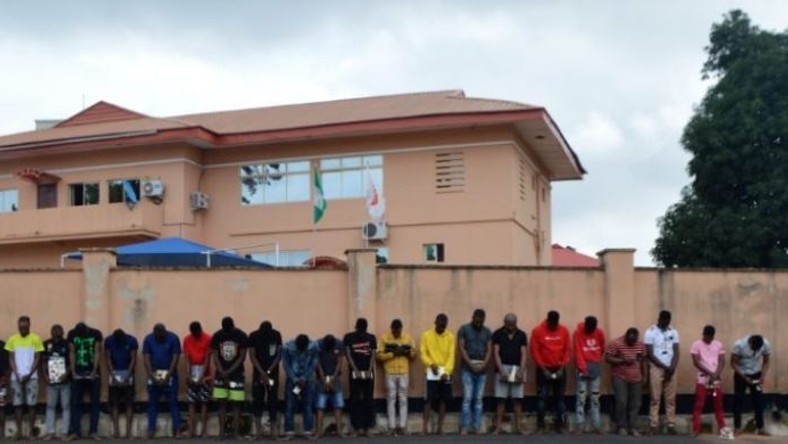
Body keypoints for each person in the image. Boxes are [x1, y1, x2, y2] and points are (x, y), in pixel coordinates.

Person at [530, 310, 570, 433]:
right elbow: (534, 351)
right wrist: (543, 369)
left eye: (555, 324)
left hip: (559, 369)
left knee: (561, 399)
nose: (553, 326)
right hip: (543, 369)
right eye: (551, 324)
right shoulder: (537, 331)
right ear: (547, 321)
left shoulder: (564, 330)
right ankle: (540, 426)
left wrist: (562, 367)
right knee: (542, 399)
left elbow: (567, 350)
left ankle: (561, 426)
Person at [5, 315, 43, 440]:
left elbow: (38, 358)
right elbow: (11, 357)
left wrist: (30, 373)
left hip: (31, 378)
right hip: (16, 378)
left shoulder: (36, 339)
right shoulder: (12, 339)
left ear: (29, 326)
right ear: (18, 326)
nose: (23, 330)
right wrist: (16, 373)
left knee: (32, 405)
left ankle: (31, 433)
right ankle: (19, 432)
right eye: (21, 328)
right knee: (17, 405)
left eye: (25, 328)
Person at [376, 319, 416, 436]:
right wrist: (393, 354)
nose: (397, 333)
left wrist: (406, 352)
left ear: (401, 329)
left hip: (403, 372)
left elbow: (414, 354)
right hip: (390, 372)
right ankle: (392, 427)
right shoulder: (384, 338)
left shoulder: (408, 338)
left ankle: (403, 426)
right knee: (391, 399)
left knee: (403, 399)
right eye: (395, 331)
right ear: (391, 328)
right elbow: (378, 356)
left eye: (398, 331)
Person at [690, 325, 731, 438]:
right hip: (703, 379)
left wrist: (716, 374)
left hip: (715, 380)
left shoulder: (718, 344)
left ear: (713, 336)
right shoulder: (696, 345)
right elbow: (696, 362)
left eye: (711, 337)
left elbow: (722, 361)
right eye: (707, 336)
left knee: (718, 405)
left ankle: (722, 428)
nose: (709, 339)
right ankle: (696, 429)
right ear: (703, 334)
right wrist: (710, 373)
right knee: (699, 404)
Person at [211, 316, 248, 440]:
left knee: (236, 404)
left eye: (228, 329)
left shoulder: (241, 335)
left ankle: (236, 433)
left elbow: (242, 357)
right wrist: (223, 372)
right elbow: (215, 356)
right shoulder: (217, 336)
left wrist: (227, 372)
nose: (226, 332)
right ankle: (221, 433)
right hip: (221, 374)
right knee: (221, 404)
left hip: (236, 374)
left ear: (233, 326)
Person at [644, 310, 680, 434]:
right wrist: (664, 367)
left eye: (668, 320)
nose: (665, 322)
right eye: (663, 320)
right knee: (655, 397)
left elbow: (676, 351)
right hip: (656, 367)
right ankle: (654, 424)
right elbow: (650, 353)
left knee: (670, 398)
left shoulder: (673, 332)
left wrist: (672, 366)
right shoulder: (650, 332)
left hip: (671, 367)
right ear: (659, 319)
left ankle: (671, 424)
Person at [605, 327, 646, 437]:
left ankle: (632, 427)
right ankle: (621, 426)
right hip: (619, 377)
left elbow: (643, 360)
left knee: (635, 403)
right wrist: (622, 360)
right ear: (626, 336)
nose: (632, 343)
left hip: (636, 378)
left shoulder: (640, 345)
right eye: (630, 341)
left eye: (634, 340)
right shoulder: (616, 343)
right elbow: (608, 358)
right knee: (621, 401)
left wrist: (644, 375)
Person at [142, 323, 181, 439]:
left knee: (173, 402)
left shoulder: (173, 338)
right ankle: (151, 430)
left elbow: (175, 357)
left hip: (170, 375)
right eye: (157, 336)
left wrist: (168, 375)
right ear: (154, 333)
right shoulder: (148, 339)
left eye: (161, 335)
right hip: (153, 374)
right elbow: (146, 358)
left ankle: (177, 430)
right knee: (152, 404)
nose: (159, 337)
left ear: (165, 332)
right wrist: (151, 376)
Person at [491, 313, 527, 435]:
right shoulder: (497, 334)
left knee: (518, 400)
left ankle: (519, 427)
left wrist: (521, 371)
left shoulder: (522, 335)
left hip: (517, 368)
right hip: (502, 367)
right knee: (501, 399)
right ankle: (498, 427)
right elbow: (496, 352)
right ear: (504, 322)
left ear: (516, 323)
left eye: (513, 324)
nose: (511, 327)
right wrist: (501, 370)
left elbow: (524, 354)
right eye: (508, 324)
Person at [457, 308, 492, 435]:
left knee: (478, 399)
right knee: (467, 398)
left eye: (481, 321)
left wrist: (484, 364)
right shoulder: (464, 329)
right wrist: (470, 364)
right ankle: (465, 427)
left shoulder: (487, 332)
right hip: (467, 369)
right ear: (473, 317)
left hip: (482, 370)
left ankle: (476, 426)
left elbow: (489, 350)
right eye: (477, 321)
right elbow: (461, 348)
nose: (479, 323)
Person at [419, 313, 455, 435]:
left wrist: (447, 372)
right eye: (439, 326)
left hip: (445, 371)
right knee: (428, 399)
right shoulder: (426, 335)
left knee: (443, 400)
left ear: (446, 325)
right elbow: (423, 353)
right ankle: (424, 428)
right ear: (435, 323)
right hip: (431, 371)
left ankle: (440, 428)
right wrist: (430, 364)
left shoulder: (450, 336)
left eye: (443, 327)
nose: (441, 328)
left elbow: (451, 356)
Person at [67, 322, 103, 439]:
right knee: (75, 402)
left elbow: (97, 352)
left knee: (95, 403)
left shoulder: (96, 333)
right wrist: (73, 372)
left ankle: (93, 431)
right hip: (78, 372)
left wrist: (94, 372)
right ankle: (75, 432)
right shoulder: (72, 334)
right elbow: (72, 353)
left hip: (93, 373)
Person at [731, 334, 771, 436]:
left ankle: (761, 428)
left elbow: (766, 361)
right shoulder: (739, 345)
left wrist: (762, 376)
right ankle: (737, 428)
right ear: (750, 342)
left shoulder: (765, 344)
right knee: (738, 400)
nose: (755, 351)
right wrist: (744, 378)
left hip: (756, 373)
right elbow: (733, 363)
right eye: (753, 348)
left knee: (758, 401)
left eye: (758, 349)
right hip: (741, 374)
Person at [248, 321, 283, 439]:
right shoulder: (253, 335)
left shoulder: (276, 335)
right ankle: (258, 433)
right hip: (259, 375)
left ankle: (274, 433)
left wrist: (267, 372)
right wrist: (264, 373)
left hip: (271, 375)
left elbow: (279, 355)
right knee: (258, 402)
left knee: (273, 402)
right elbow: (252, 356)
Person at [343, 318, 377, 437]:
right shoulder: (348, 337)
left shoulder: (371, 338)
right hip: (355, 373)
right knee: (355, 400)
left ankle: (367, 428)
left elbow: (373, 354)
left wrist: (369, 370)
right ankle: (356, 428)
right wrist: (355, 370)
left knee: (369, 400)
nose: (361, 333)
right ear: (356, 327)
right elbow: (348, 354)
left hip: (368, 373)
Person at [282, 334, 319, 441]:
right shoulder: (287, 347)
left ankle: (308, 431)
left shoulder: (313, 347)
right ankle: (289, 432)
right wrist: (295, 379)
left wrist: (304, 378)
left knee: (308, 405)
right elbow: (286, 364)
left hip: (308, 381)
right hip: (292, 381)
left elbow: (314, 363)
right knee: (289, 405)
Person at [573, 315, 606, 434]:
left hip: (595, 366)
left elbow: (602, 348)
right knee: (581, 398)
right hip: (582, 366)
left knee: (595, 398)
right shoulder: (577, 333)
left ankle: (596, 425)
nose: (590, 331)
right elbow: (577, 351)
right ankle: (580, 426)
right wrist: (583, 368)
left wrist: (595, 361)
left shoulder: (599, 333)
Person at [104, 328, 138, 439]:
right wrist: (113, 376)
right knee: (114, 403)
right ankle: (116, 431)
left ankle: (128, 432)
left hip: (127, 373)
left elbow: (133, 359)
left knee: (129, 403)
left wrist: (128, 376)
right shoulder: (109, 341)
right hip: (114, 373)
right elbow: (108, 358)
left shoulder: (132, 340)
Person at [183, 321, 212, 438]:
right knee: (191, 403)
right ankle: (191, 431)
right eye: (194, 333)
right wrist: (187, 374)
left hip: (204, 373)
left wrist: (202, 376)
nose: (196, 335)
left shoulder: (207, 338)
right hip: (192, 370)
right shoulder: (187, 340)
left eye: (197, 333)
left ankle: (204, 431)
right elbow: (187, 359)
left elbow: (207, 359)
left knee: (204, 403)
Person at [43, 324, 71, 440]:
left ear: (63, 332)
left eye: (59, 330)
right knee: (50, 406)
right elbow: (44, 361)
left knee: (66, 407)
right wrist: (45, 375)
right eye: (54, 330)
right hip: (51, 382)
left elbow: (71, 362)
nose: (56, 332)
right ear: (51, 332)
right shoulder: (46, 344)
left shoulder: (67, 344)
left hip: (65, 381)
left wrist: (66, 374)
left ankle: (64, 432)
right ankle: (50, 432)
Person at [315, 334, 345, 438]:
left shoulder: (339, 344)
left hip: (335, 378)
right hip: (321, 378)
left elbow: (339, 363)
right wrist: (323, 378)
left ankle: (339, 430)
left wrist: (333, 379)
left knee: (338, 405)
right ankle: (319, 431)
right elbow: (317, 362)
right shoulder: (318, 344)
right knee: (320, 405)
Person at [0, 337, 9, 440]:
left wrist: (5, 377)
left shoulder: (3, 346)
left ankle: (2, 432)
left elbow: (7, 364)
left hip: (1, 381)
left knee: (1, 407)